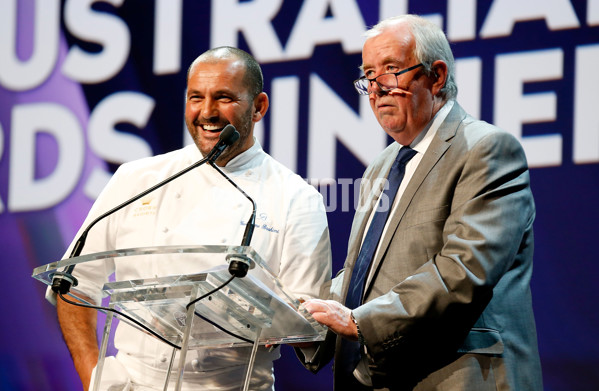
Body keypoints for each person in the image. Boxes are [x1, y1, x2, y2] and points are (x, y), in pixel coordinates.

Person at [47, 46, 332, 390]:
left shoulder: (297, 198)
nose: (207, 112)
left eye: (224, 97)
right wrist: (93, 378)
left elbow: (307, 326)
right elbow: (73, 283)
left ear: (259, 107)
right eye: (196, 97)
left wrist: (274, 320)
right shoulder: (136, 179)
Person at [300, 14, 543, 390]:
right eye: (368, 75)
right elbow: (362, 277)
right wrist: (301, 317)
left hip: (460, 376)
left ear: (437, 75)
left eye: (391, 71)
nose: (376, 88)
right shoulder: (379, 168)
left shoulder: (485, 150)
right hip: (384, 376)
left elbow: (463, 270)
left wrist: (361, 322)